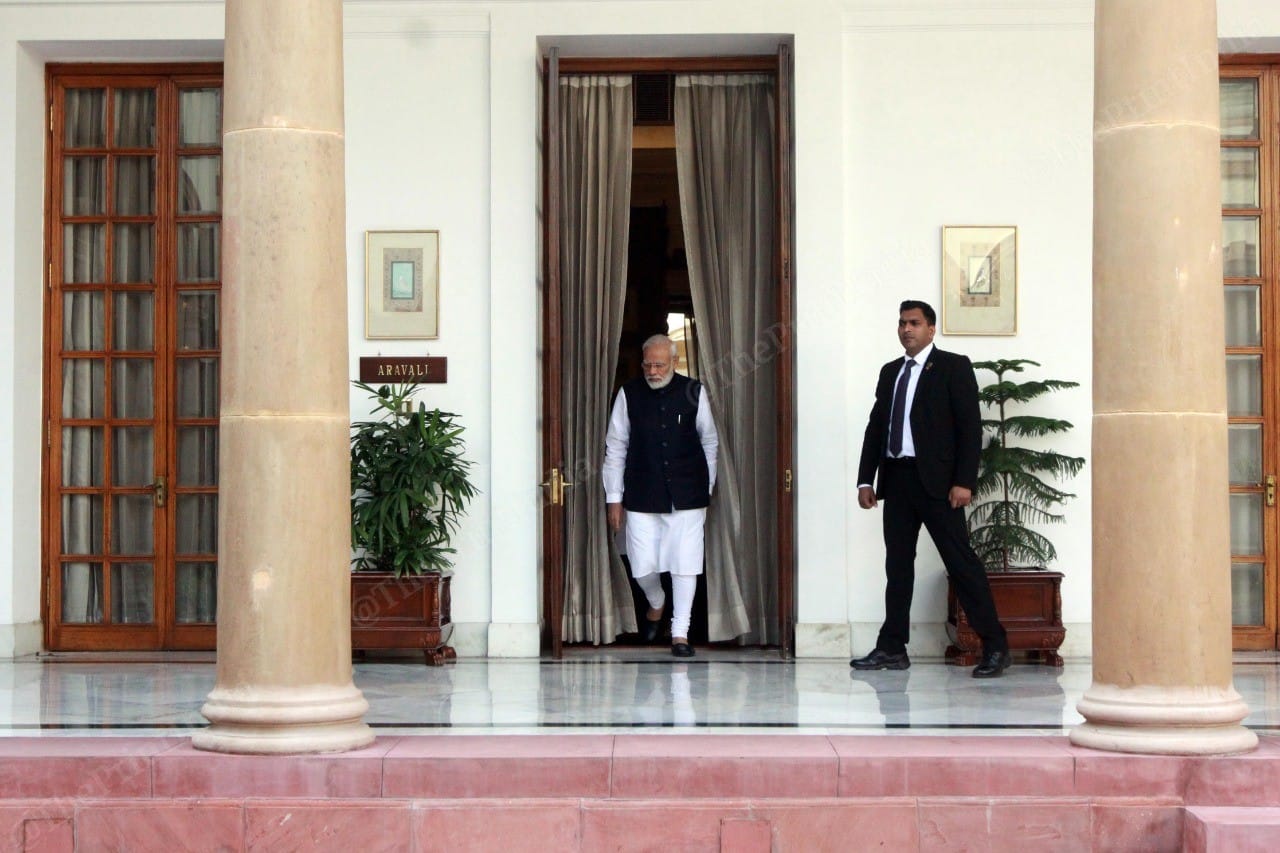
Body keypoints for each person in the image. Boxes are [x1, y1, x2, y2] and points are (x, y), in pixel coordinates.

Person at [851, 300, 1011, 679]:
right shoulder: (891, 372)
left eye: (915, 323)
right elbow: (876, 427)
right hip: (899, 481)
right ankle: (892, 647)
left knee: (961, 563)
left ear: (931, 329)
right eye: (903, 323)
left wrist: (964, 482)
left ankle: (996, 646)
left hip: (941, 486)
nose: (907, 329)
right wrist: (865, 478)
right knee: (897, 567)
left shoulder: (953, 367)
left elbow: (970, 428)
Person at [603, 334, 718, 658]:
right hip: (641, 491)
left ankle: (680, 633)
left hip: (688, 493)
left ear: (674, 362)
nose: (652, 371)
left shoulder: (694, 391)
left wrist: (705, 484)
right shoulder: (629, 394)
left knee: (685, 564)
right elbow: (616, 446)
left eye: (659, 365)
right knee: (642, 566)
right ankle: (656, 603)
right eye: (647, 365)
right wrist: (614, 497)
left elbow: (709, 441)